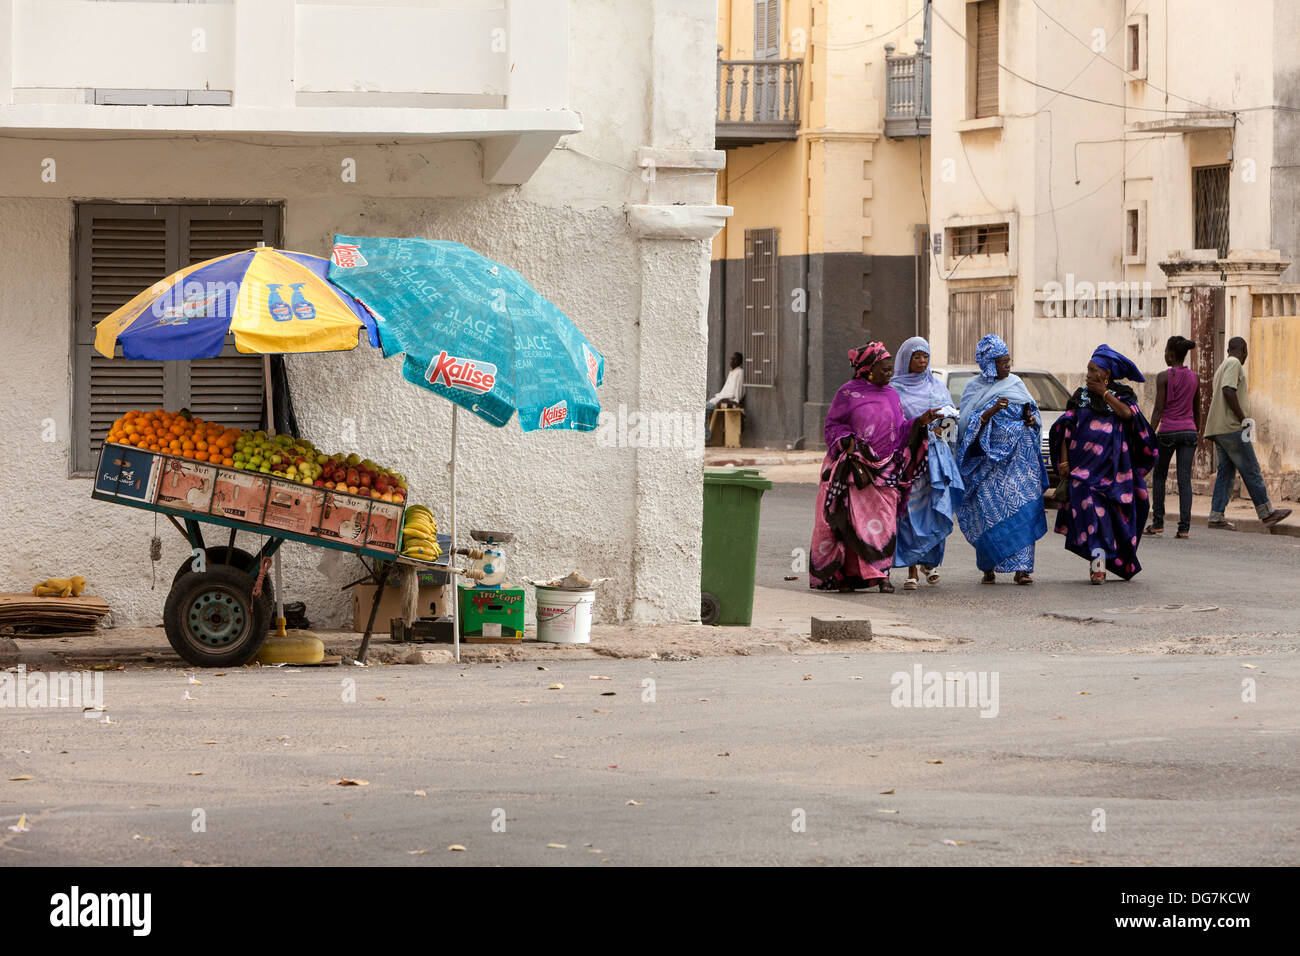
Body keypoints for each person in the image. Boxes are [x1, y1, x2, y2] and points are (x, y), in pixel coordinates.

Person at [809, 343, 942, 593]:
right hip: (857, 470)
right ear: (868, 369)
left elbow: (901, 430)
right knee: (853, 524)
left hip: (887, 470)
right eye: (885, 369)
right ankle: (849, 577)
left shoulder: (891, 394)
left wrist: (919, 423)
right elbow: (832, 427)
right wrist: (848, 441)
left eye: (891, 369)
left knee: (885, 523)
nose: (890, 373)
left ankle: (882, 575)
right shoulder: (847, 394)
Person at [1049, 345, 1157, 584]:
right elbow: (1066, 427)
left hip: (1114, 472)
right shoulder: (1081, 396)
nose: (1087, 374)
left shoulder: (1123, 395)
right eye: (1087, 369)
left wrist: (1105, 393)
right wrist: (1064, 461)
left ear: (1106, 374)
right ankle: (1098, 564)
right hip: (1083, 472)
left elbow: (1129, 416)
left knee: (1112, 516)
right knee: (1090, 515)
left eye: (1093, 369)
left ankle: (1111, 558)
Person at [955, 334, 1049, 585]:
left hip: (1019, 462)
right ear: (988, 363)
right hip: (988, 465)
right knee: (989, 513)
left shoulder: (1016, 383)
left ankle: (1023, 569)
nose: (1008, 366)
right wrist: (991, 411)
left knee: (1024, 507)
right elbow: (965, 425)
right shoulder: (974, 388)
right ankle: (989, 566)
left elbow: (1033, 416)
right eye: (1002, 361)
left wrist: (1030, 420)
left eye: (1008, 361)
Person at [889, 336, 964, 588]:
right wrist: (918, 427)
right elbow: (894, 424)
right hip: (911, 459)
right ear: (906, 360)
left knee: (935, 506)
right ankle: (911, 569)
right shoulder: (894, 390)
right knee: (910, 512)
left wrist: (944, 427)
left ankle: (929, 562)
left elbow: (951, 416)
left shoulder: (937, 386)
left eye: (925, 357)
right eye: (916, 357)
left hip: (936, 458)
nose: (922, 362)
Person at [1203, 337, 1292, 530]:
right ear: (1243, 350)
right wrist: (1243, 418)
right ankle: (1266, 513)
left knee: (1225, 473)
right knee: (1251, 469)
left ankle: (1216, 516)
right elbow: (1228, 390)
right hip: (1232, 427)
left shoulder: (1222, 366)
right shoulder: (1234, 363)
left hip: (1218, 429)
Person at [1147, 335, 1200, 538]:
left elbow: (1158, 409)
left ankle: (1158, 522)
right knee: (1184, 478)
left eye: (1165, 352)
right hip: (1189, 431)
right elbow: (1197, 410)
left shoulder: (1164, 376)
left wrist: (1149, 432)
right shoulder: (1194, 378)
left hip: (1168, 431)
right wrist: (1197, 433)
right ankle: (1184, 528)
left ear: (1170, 355)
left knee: (1159, 476)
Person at [705, 352, 745, 442]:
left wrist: (734, 401)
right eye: (731, 359)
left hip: (725, 399)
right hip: (718, 398)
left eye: (735, 359)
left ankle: (706, 438)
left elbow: (737, 392)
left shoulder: (740, 372)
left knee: (704, 410)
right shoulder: (731, 372)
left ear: (739, 361)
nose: (732, 361)